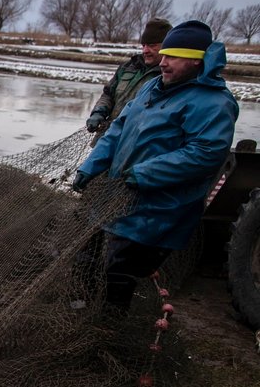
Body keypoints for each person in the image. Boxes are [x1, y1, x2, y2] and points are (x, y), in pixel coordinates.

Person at [72, 20, 239, 312]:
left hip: (158, 210)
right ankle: (84, 311)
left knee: (118, 272)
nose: (163, 62)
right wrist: (90, 166)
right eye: (163, 55)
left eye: (172, 56)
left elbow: (205, 153)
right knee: (87, 255)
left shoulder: (214, 103)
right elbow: (117, 130)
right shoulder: (152, 87)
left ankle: (110, 331)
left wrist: (144, 174)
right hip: (120, 195)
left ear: (197, 59)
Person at [86, 17, 172, 145]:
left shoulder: (170, 75)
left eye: (152, 46)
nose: (145, 50)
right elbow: (108, 94)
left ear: (167, 46)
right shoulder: (128, 67)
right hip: (106, 139)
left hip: (136, 146)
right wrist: (98, 112)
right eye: (144, 45)